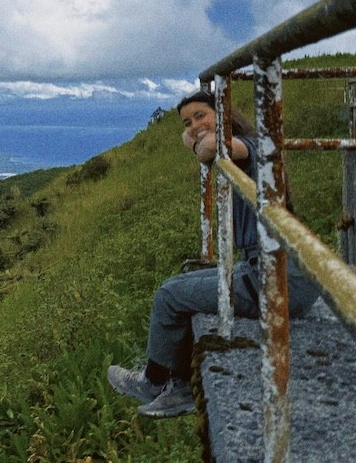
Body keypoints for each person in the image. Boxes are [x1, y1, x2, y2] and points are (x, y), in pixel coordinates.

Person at [106, 88, 320, 418]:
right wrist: (196, 132)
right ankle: (174, 383)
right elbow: (204, 144)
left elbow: (209, 148)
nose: (193, 125)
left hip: (279, 279)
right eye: (187, 121)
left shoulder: (248, 145)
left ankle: (156, 384)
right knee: (184, 284)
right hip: (280, 269)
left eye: (201, 115)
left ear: (224, 113)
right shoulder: (252, 143)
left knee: (168, 295)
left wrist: (195, 138)